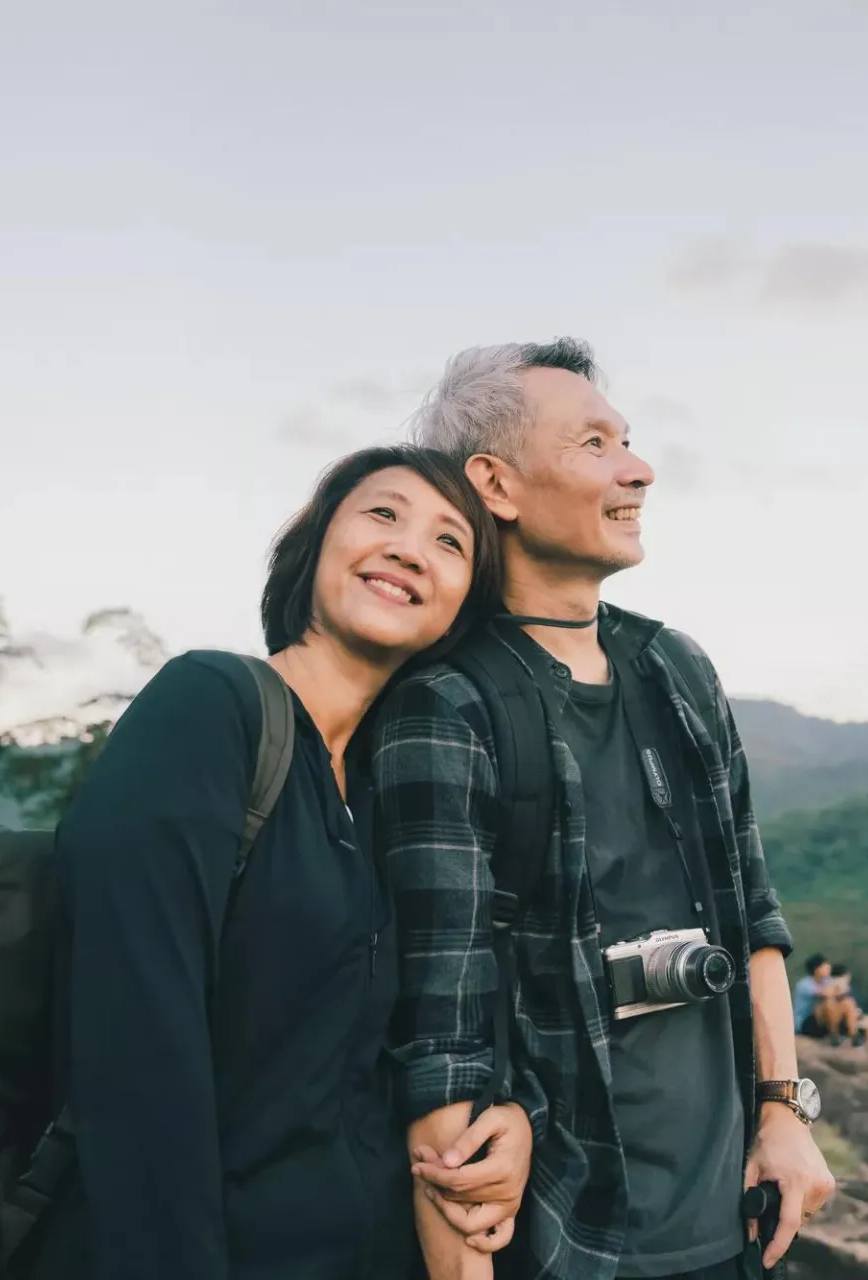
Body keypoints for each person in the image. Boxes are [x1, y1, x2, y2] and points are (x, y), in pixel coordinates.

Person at [375, 339, 836, 1280]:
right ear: (495, 484)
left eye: (627, 440)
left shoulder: (675, 667)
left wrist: (784, 1112)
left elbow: (751, 907)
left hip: (733, 1219)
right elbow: (444, 1037)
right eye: (594, 444)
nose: (639, 469)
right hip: (576, 1238)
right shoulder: (448, 703)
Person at [44, 446, 534, 1280]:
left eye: (451, 543)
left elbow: (400, 1046)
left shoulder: (387, 792)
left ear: (461, 609)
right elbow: (133, 1055)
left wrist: (508, 1121)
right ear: (314, 547)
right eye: (382, 515)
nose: (411, 549)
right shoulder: (210, 709)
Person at [826, 964, 868, 1058]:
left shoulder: (835, 984)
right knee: (866, 1020)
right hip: (840, 1020)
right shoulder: (836, 984)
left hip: (845, 1018)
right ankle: (860, 1041)